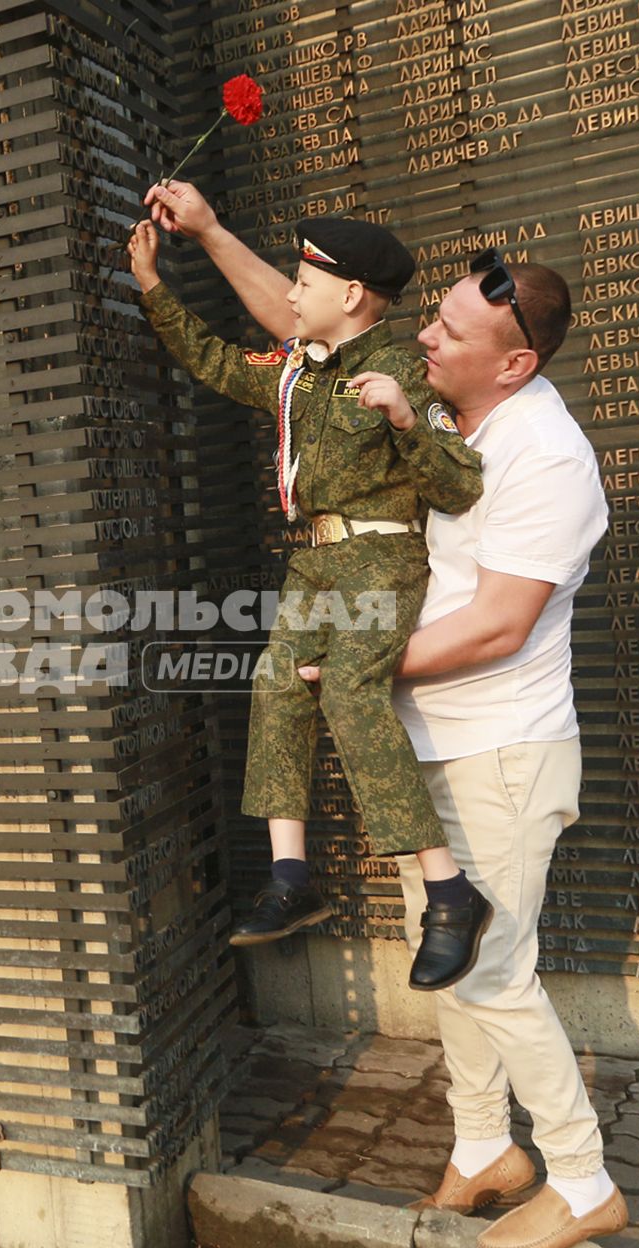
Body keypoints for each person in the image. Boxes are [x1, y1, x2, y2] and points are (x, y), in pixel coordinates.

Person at [146, 180, 622, 1248]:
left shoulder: (543, 452)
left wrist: (346, 666)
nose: (427, 331)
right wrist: (213, 232)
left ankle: (585, 1177)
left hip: (503, 745)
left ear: (515, 362)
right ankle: (479, 1147)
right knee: (446, 959)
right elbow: (300, 320)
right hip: (436, 742)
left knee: (494, 969)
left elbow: (500, 626)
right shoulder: (447, 405)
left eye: (451, 328)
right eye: (436, 313)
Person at [125, 210, 494, 993]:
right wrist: (153, 286)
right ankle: (291, 876)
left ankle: (450, 892)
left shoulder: (402, 369)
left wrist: (403, 416)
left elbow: (458, 484)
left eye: (304, 282)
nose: (290, 295)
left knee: (353, 696)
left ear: (354, 293)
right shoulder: (302, 370)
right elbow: (221, 364)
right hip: (318, 563)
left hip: (383, 556)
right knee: (276, 688)